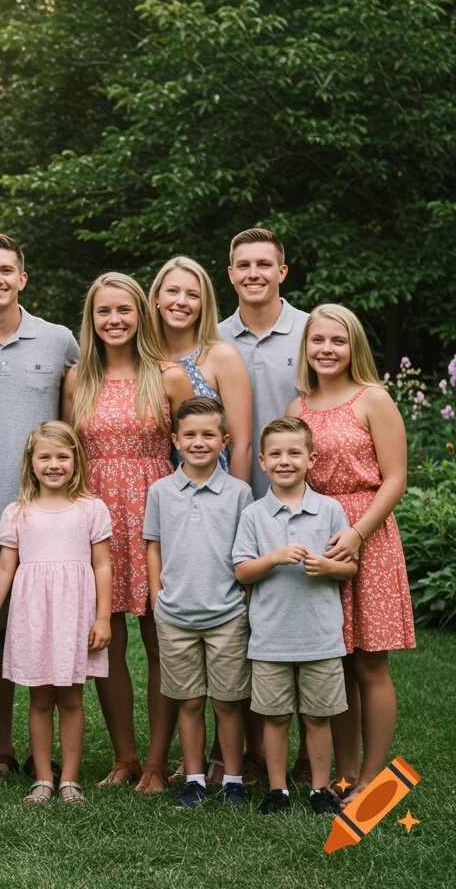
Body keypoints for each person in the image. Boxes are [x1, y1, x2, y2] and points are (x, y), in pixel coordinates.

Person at [0, 233, 79, 785]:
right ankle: (3, 750)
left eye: (7, 270)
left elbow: (72, 428)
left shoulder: (57, 342)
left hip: (48, 519)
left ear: (22, 278)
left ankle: (52, 756)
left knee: (54, 635)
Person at [63, 271, 192, 792]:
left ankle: (160, 761)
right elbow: (64, 455)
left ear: (141, 314)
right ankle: (125, 758)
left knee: (163, 637)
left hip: (158, 516)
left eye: (124, 310)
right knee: (106, 639)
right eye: (103, 312)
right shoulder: (77, 380)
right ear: (91, 320)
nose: (114, 320)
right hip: (96, 519)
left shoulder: (169, 376)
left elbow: (197, 450)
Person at [288, 304, 412, 806]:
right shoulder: (299, 408)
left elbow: (396, 478)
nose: (327, 349)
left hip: (368, 536)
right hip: (320, 537)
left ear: (353, 346)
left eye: (337, 341)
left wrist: (359, 532)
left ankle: (372, 777)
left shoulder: (373, 399)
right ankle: (342, 772)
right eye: (318, 340)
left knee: (369, 665)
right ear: (306, 347)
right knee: (332, 661)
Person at [0, 421, 113, 806]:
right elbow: (5, 568)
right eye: (45, 457)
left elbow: (102, 565)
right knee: (39, 699)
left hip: (75, 616)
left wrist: (102, 618)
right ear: (31, 462)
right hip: (33, 616)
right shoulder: (17, 512)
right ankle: (42, 778)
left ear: (75, 461)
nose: (54, 465)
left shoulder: (91, 508)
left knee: (71, 698)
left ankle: (69, 779)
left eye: (62, 456)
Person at [233, 417, 357, 815]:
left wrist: (329, 567)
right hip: (270, 638)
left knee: (318, 717)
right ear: (262, 461)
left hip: (320, 636)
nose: (285, 461)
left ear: (311, 458)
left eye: (294, 453)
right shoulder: (254, 515)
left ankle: (321, 789)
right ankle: (277, 789)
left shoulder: (329, 509)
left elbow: (350, 567)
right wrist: (272, 559)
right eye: (276, 454)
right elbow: (241, 570)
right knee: (276, 717)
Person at [143, 398, 254, 809]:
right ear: (175, 440)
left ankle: (233, 779)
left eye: (209, 434)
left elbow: (246, 553)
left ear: (224, 440)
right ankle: (193, 780)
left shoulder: (240, 494)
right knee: (188, 700)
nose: (199, 442)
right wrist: (157, 597)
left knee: (227, 701)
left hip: (226, 615)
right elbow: (153, 546)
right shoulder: (161, 491)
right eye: (189, 434)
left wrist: (244, 604)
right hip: (175, 615)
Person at [218, 229, 308, 499]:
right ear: (231, 273)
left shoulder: (313, 334)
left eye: (264, 265)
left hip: (305, 495)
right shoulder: (212, 340)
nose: (253, 274)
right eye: (244, 265)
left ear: (282, 272)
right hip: (230, 493)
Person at [148, 256, 253, 481]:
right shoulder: (142, 361)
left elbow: (241, 444)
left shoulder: (221, 357)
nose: (181, 302)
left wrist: (235, 503)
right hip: (155, 487)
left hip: (213, 490)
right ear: (157, 296)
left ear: (204, 304)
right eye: (173, 291)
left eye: (193, 295)